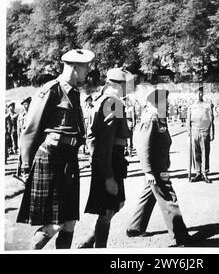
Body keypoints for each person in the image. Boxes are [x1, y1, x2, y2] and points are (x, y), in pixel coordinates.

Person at [16, 49, 95, 249]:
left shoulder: (75, 92)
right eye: (86, 67)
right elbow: (30, 130)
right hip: (51, 159)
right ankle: (31, 249)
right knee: (56, 223)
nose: (88, 71)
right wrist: (26, 168)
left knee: (69, 222)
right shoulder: (51, 90)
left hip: (69, 159)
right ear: (75, 68)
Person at [126, 89, 191, 247]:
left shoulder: (159, 117)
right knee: (169, 197)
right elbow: (143, 147)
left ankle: (135, 228)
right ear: (157, 103)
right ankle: (180, 235)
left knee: (148, 195)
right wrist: (148, 171)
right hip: (155, 168)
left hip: (159, 164)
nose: (167, 103)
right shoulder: (152, 118)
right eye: (165, 101)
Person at [78, 67, 131, 248]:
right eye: (126, 84)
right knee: (108, 210)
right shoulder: (112, 103)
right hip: (110, 159)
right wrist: (108, 176)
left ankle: (89, 240)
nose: (128, 87)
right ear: (117, 84)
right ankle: (98, 247)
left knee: (118, 204)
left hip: (112, 158)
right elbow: (106, 141)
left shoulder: (109, 100)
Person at [187, 86, 215, 183]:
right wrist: (188, 133)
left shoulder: (208, 105)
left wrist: (212, 132)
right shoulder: (191, 106)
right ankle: (198, 172)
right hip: (194, 131)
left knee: (205, 153)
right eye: (197, 93)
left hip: (204, 131)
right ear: (194, 95)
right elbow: (188, 121)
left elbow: (211, 119)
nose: (199, 94)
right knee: (196, 153)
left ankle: (204, 172)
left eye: (201, 93)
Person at [16, 96, 32, 177]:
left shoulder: (33, 114)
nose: (25, 106)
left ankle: (27, 171)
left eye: (26, 104)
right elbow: (18, 129)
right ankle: (19, 172)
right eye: (23, 104)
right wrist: (18, 140)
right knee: (20, 156)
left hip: (30, 139)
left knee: (29, 155)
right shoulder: (21, 116)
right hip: (22, 138)